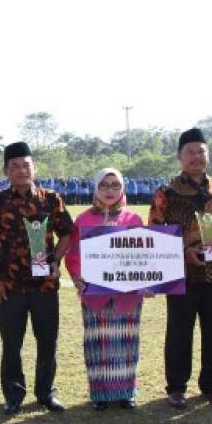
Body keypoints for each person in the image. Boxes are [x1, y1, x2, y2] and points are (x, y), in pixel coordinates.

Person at [149, 128, 212, 409]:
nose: (196, 157)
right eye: (190, 152)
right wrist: (183, 251)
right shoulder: (167, 191)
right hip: (182, 276)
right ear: (179, 156)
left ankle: (211, 385)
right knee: (179, 332)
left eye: (201, 151)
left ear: (207, 155)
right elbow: (154, 232)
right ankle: (176, 388)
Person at [0, 142, 73, 415]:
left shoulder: (50, 199)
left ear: (34, 167)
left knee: (47, 341)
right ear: (6, 170)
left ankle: (46, 392)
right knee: (12, 343)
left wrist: (56, 259)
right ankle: (13, 394)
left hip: (44, 285)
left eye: (26, 165)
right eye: (15, 166)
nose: (22, 171)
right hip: (10, 285)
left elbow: (67, 232)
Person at [65, 168, 146, 410]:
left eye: (115, 185)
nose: (110, 190)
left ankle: (126, 392)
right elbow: (73, 254)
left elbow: (143, 256)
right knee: (97, 343)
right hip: (95, 294)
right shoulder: (83, 219)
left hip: (127, 295)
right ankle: (99, 395)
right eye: (104, 185)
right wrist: (78, 277)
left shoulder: (133, 220)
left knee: (126, 342)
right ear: (95, 188)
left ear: (123, 188)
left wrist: (147, 281)